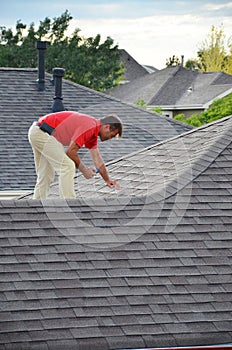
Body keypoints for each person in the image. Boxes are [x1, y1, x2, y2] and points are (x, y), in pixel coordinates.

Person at [28, 110, 123, 199]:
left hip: (38, 132)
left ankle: (37, 204)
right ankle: (69, 203)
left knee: (46, 175)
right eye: (112, 135)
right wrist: (84, 170)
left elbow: (97, 159)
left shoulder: (92, 132)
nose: (110, 138)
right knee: (68, 166)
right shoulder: (89, 126)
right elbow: (70, 152)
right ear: (107, 126)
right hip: (43, 133)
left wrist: (107, 180)